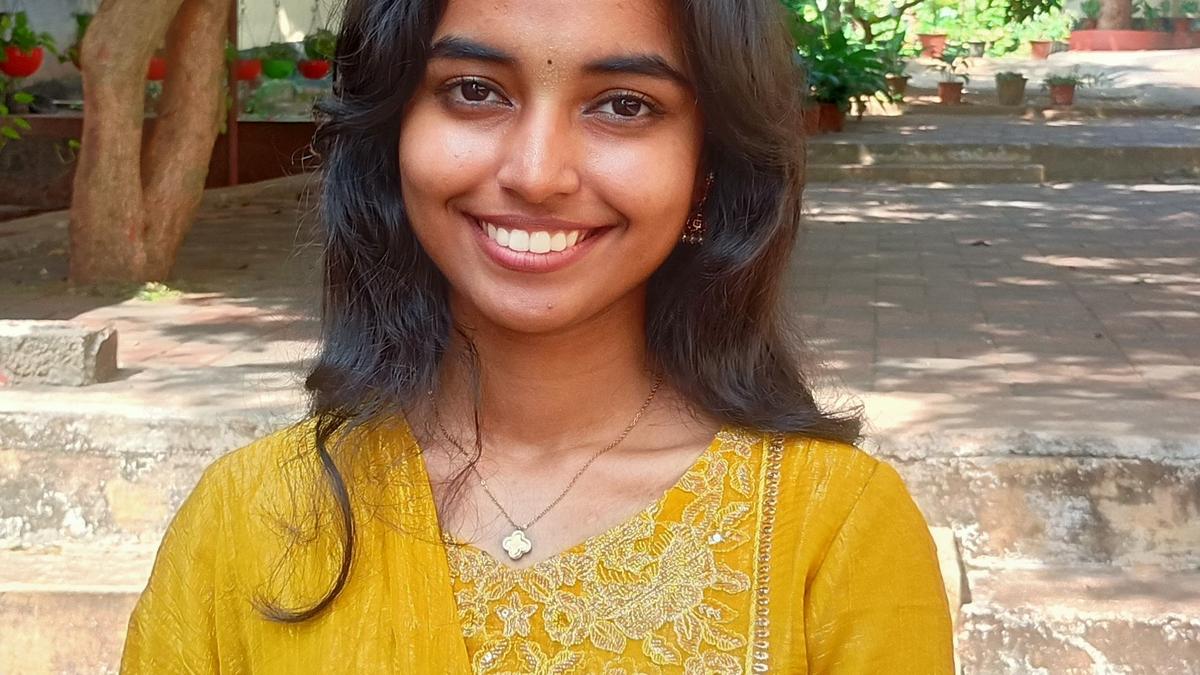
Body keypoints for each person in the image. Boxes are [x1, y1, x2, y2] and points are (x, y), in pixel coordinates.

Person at [121, 0, 954, 672]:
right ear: (393, 133)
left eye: (624, 105)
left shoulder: (831, 532)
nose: (535, 173)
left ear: (708, 167)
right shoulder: (251, 519)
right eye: (474, 91)